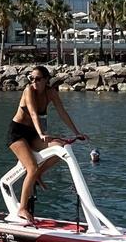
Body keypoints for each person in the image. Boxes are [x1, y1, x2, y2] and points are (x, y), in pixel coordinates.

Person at [7, 65, 87, 224]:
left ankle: (38, 175)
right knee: (31, 168)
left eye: (38, 79)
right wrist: (42, 133)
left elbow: (62, 112)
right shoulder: (28, 91)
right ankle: (22, 208)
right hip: (17, 133)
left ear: (46, 80)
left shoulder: (51, 92)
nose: (34, 82)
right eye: (31, 79)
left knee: (61, 147)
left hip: (33, 134)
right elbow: (33, 113)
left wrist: (77, 132)